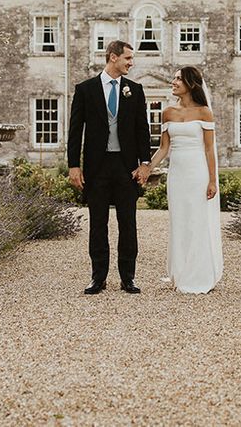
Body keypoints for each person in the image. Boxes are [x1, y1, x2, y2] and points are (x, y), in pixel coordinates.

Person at [67, 41, 152, 294]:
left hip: (126, 168)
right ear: (113, 57)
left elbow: (142, 130)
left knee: (128, 223)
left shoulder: (134, 90)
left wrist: (144, 163)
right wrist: (74, 165)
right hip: (97, 167)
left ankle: (128, 278)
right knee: (98, 224)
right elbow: (75, 131)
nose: (131, 63)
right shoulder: (86, 89)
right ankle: (98, 277)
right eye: (127, 58)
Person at [143, 66, 223, 294]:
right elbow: (164, 148)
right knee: (179, 221)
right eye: (174, 78)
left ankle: (199, 274)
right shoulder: (167, 112)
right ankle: (180, 272)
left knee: (197, 221)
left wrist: (212, 181)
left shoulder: (204, 113)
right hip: (177, 173)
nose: (173, 82)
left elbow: (209, 150)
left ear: (191, 84)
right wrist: (148, 167)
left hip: (198, 172)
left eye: (178, 79)